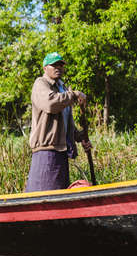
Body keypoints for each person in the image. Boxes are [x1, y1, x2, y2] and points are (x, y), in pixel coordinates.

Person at [25, 52, 92, 192]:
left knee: (59, 194)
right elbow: (50, 104)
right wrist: (74, 95)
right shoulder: (41, 83)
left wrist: (81, 137)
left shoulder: (62, 88)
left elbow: (66, 125)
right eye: (54, 65)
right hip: (46, 151)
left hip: (61, 152)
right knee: (44, 196)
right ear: (45, 68)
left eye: (61, 64)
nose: (58, 67)